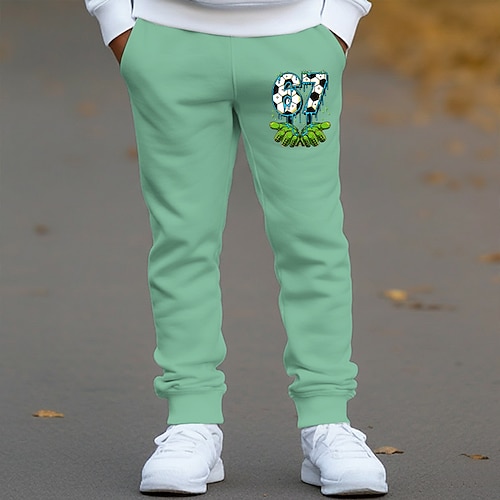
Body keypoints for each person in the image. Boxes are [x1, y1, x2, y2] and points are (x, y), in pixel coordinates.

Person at [84, 0, 388, 496]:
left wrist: (342, 15)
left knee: (311, 237)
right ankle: (191, 419)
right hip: (167, 43)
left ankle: (327, 420)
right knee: (182, 238)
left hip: (297, 46)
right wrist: (114, 16)